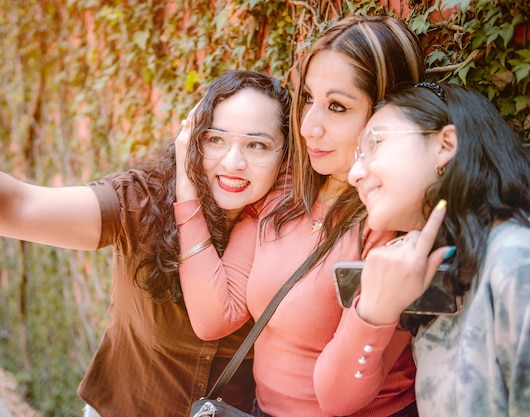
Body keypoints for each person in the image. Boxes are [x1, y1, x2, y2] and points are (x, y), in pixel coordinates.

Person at [0, 59, 292, 417]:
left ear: (286, 155)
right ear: (191, 139)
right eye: (215, 139)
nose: (233, 162)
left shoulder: (292, 231)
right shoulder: (143, 201)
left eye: (257, 145)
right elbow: (16, 207)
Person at [176, 15, 425, 417]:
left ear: (387, 114)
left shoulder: (391, 223)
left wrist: (374, 307)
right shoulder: (286, 190)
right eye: (308, 98)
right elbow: (214, 315)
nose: (308, 127)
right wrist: (185, 186)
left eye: (337, 107)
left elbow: (338, 399)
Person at [344, 82, 530, 416]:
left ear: (445, 144)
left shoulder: (517, 260)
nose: (354, 174)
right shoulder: (444, 270)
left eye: (375, 143)